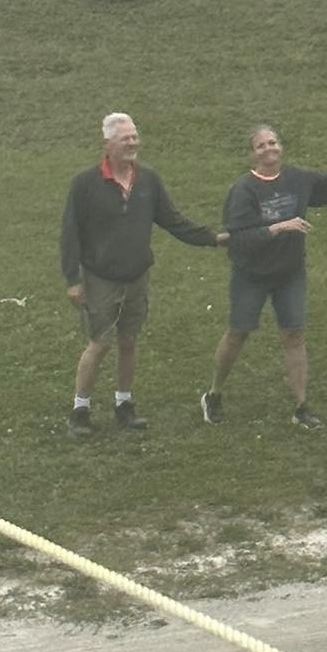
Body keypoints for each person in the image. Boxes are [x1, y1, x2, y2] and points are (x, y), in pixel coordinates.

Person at [61, 112, 227, 438]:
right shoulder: (84, 185)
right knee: (99, 343)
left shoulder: (148, 180)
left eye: (135, 136)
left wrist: (213, 238)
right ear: (108, 144)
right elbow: (70, 234)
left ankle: (124, 405)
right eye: (125, 138)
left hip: (136, 277)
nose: (133, 142)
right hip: (100, 278)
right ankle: (80, 410)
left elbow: (172, 220)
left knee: (128, 341)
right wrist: (72, 280)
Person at [201, 125, 327, 429]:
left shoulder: (298, 179)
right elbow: (239, 238)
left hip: (289, 274)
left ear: (281, 147)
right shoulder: (243, 190)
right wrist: (277, 227)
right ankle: (214, 394)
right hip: (251, 275)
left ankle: (301, 406)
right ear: (252, 154)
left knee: (293, 334)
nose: (268, 148)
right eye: (261, 145)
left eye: (272, 142)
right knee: (238, 333)